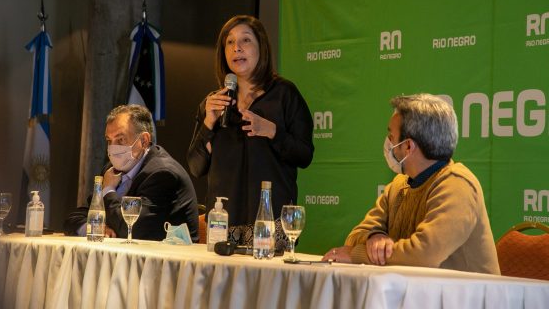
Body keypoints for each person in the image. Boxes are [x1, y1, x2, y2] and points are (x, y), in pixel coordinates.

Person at [322, 93, 500, 274]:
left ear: (408, 146)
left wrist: (358, 255)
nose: (388, 142)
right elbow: (356, 235)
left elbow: (424, 255)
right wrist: (375, 237)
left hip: (462, 293)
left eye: (391, 136)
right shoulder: (399, 185)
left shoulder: (458, 184)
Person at [187, 15, 314, 248]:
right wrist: (208, 122)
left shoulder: (284, 94)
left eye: (245, 40)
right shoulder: (213, 104)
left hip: (270, 222)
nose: (236, 48)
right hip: (223, 223)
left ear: (261, 47)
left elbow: (305, 155)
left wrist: (273, 131)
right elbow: (196, 167)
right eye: (229, 42)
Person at [64, 104, 199, 242]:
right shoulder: (111, 170)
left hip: (168, 254)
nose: (112, 148)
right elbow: (74, 218)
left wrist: (108, 190)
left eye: (120, 139)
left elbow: (133, 229)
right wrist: (95, 228)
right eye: (109, 141)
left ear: (144, 141)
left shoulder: (162, 173)